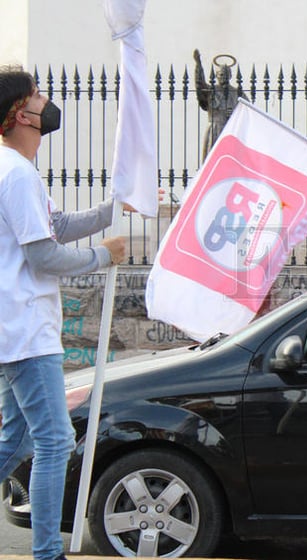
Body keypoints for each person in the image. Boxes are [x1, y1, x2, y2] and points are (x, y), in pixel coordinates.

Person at [0, 66, 126, 560]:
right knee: (55, 443)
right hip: (27, 330)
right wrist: (103, 256)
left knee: (14, 437)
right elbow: (43, 255)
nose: (45, 100)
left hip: (19, 329)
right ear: (19, 114)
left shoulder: (16, 171)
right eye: (36, 95)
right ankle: (48, 553)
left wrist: (118, 207)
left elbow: (57, 225)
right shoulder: (15, 174)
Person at [193, 49, 241, 161]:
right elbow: (200, 86)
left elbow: (248, 111)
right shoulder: (211, 91)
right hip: (214, 129)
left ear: (230, 76)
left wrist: (235, 113)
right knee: (212, 160)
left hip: (231, 130)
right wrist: (198, 65)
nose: (223, 77)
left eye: (225, 75)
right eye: (220, 74)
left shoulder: (237, 93)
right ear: (217, 76)